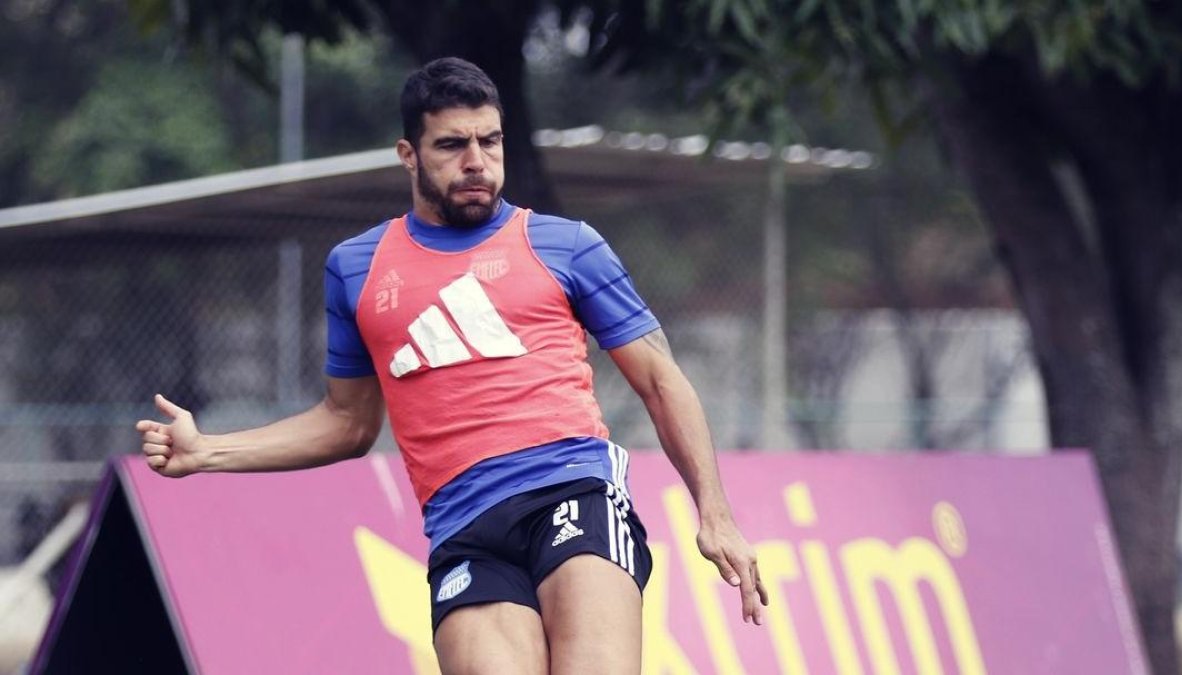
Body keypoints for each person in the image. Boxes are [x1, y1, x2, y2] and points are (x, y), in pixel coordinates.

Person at [136, 56, 766, 675]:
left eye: (490, 141)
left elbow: (660, 380)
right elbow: (347, 424)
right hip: (465, 531)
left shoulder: (567, 244)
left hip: (574, 492)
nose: (476, 162)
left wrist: (715, 513)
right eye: (452, 145)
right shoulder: (355, 268)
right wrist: (207, 452)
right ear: (408, 155)